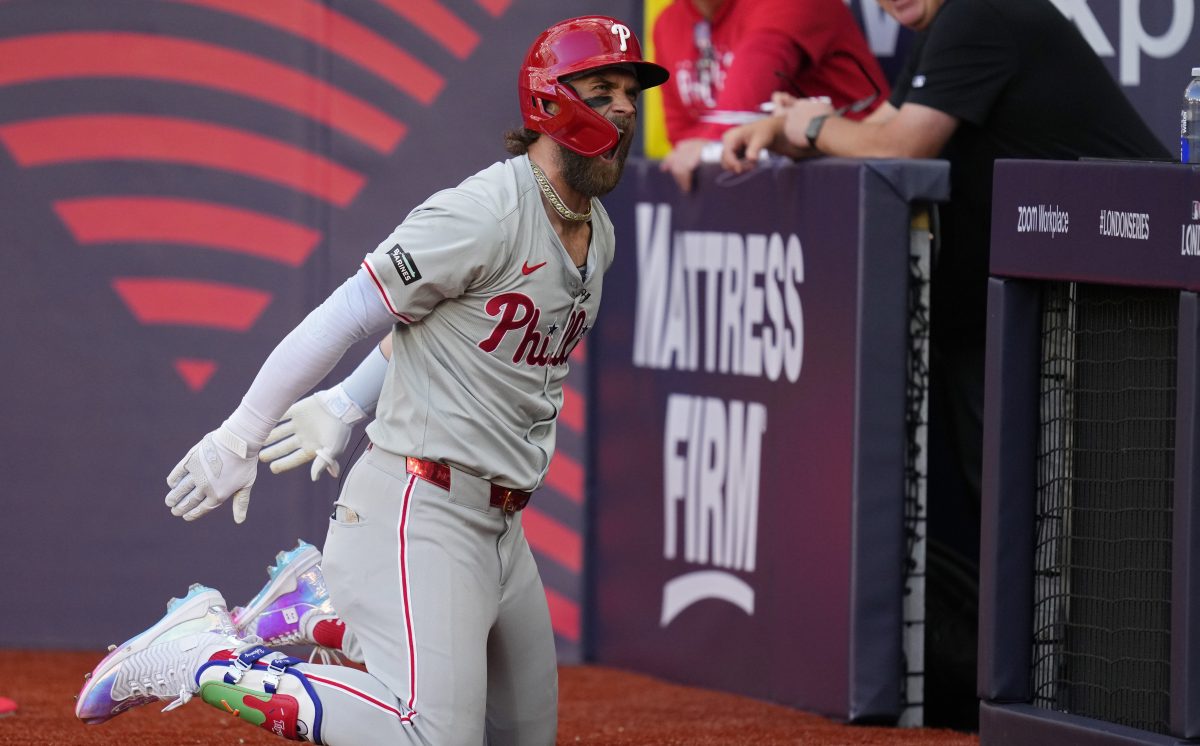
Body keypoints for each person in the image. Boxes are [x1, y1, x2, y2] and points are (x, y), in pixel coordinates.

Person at [74, 15, 668, 745]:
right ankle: (201, 654)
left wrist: (347, 402)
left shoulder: (596, 233)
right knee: (427, 733)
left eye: (631, 93)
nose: (623, 108)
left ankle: (322, 611)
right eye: (602, 88)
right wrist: (240, 434)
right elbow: (346, 312)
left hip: (502, 524)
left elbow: (453, 333)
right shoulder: (484, 211)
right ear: (550, 100)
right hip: (424, 504)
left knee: (521, 738)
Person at [720, 0, 1168, 729]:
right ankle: (1036, 702)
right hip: (1008, 313)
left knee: (1089, 526)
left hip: (1117, 312)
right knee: (1018, 515)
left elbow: (902, 144)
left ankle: (1098, 707)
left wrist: (803, 124)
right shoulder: (941, 34)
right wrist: (800, 128)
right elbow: (874, 138)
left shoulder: (981, 12)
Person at [655, 0, 888, 191]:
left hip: (867, 168)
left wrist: (705, 145)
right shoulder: (669, 22)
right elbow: (684, 136)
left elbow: (737, 113)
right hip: (780, 181)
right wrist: (701, 146)